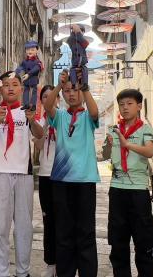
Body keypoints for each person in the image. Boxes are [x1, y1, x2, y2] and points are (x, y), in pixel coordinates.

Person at [0, 71, 44, 277]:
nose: (10, 88)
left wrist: (32, 120)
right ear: (0, 89)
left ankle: (23, 271)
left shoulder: (29, 111)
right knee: (0, 225)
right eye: (6, 84)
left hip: (23, 173)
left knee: (24, 225)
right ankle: (1, 272)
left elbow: (39, 135)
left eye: (15, 84)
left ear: (22, 89)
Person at [42, 70, 100, 277]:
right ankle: (65, 272)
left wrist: (85, 88)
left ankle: (87, 272)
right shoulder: (60, 117)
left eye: (75, 90)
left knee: (86, 231)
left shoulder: (87, 117)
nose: (71, 94)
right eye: (67, 91)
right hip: (61, 180)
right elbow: (47, 106)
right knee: (64, 232)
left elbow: (95, 113)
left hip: (85, 180)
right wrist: (59, 84)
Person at [105, 89, 153, 277]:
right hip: (117, 189)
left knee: (143, 242)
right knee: (118, 243)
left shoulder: (145, 129)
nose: (125, 108)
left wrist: (127, 144)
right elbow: (104, 155)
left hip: (138, 191)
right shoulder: (113, 129)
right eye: (122, 104)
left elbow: (150, 152)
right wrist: (110, 144)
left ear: (139, 106)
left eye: (129, 103)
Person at [35, 85, 60, 277]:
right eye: (45, 97)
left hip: (62, 175)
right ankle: (50, 262)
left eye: (52, 96)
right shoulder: (38, 121)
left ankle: (64, 261)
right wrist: (45, 124)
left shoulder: (65, 118)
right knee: (48, 220)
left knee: (64, 221)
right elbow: (38, 146)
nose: (48, 99)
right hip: (45, 175)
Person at [15, 40, 44, 111]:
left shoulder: (38, 62)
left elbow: (36, 68)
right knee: (25, 91)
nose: (30, 51)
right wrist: (15, 72)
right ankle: (26, 104)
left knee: (34, 92)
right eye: (28, 49)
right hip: (26, 79)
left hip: (33, 78)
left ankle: (33, 105)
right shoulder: (25, 61)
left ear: (36, 50)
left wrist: (28, 74)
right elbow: (21, 67)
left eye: (32, 49)